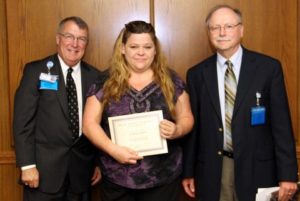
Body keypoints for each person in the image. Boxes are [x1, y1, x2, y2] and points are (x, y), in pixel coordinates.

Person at [182, 4, 298, 201]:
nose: (222, 32)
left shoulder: (268, 68)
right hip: (213, 169)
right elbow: (195, 129)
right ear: (208, 33)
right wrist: (188, 171)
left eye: (229, 26)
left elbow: (282, 126)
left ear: (241, 30)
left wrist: (287, 175)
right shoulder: (197, 74)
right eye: (215, 27)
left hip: (258, 168)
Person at [82, 20, 194, 201]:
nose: (141, 52)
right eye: (134, 46)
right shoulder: (105, 81)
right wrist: (113, 150)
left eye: (147, 47)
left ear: (155, 50)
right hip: (117, 178)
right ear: (123, 48)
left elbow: (186, 117)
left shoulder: (171, 80)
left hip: (163, 178)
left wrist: (177, 130)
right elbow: (88, 125)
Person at [13, 16, 103, 201]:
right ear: (58, 39)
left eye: (82, 39)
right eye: (69, 36)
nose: (75, 44)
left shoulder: (96, 77)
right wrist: (26, 165)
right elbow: (22, 122)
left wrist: (98, 163)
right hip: (42, 174)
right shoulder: (36, 71)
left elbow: (100, 124)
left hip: (81, 174)